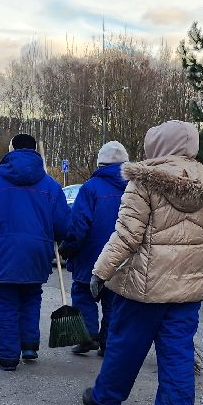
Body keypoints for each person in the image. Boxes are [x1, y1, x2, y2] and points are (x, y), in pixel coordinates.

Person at [82, 120, 203, 405]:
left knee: (126, 345)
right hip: (188, 292)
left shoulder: (144, 182)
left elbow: (127, 235)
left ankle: (105, 400)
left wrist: (100, 271)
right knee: (178, 352)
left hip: (144, 288)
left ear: (157, 146)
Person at [0, 132, 71, 370]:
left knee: (5, 303)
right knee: (31, 297)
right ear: (35, 152)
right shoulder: (51, 186)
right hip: (37, 252)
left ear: (11, 151)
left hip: (2, 253)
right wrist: (59, 237)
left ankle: (7, 356)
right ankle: (29, 344)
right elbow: (64, 225)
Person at [63, 140, 129, 356]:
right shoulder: (135, 189)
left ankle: (87, 336)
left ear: (100, 164)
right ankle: (108, 342)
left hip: (90, 255)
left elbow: (78, 225)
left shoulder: (91, 188)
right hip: (122, 257)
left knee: (83, 294)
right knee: (113, 300)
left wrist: (68, 248)